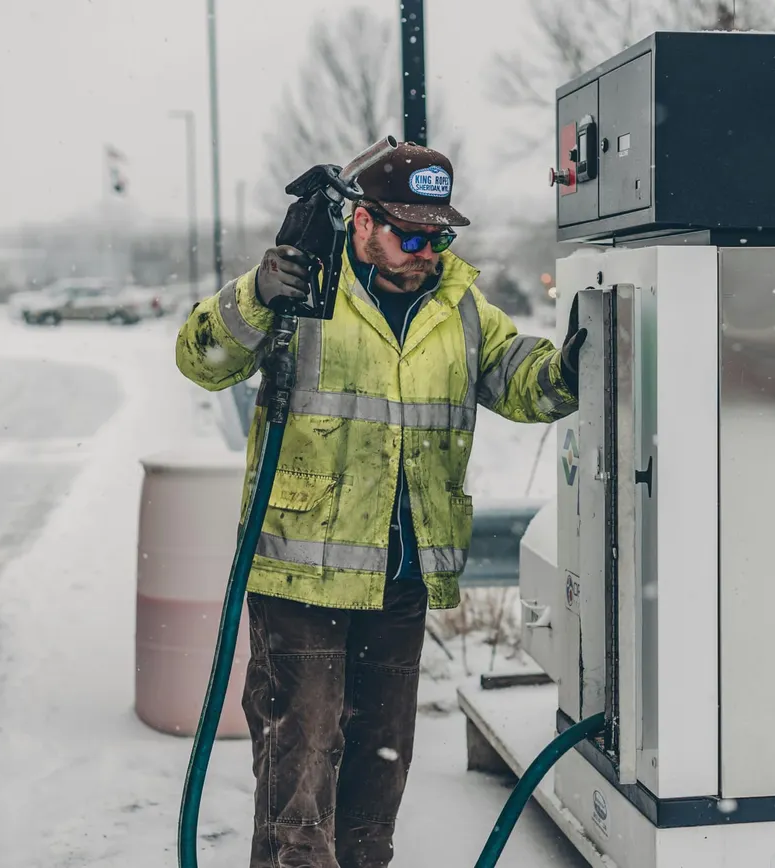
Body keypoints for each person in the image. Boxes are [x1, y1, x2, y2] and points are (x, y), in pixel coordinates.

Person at [174, 141, 586, 868]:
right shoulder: (305, 293)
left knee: (379, 764)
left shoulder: (459, 308)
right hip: (300, 583)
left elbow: (522, 380)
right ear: (361, 223)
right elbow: (199, 359)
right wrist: (254, 296)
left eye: (441, 235)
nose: (428, 249)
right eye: (411, 233)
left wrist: (578, 365)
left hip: (399, 581)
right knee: (299, 771)